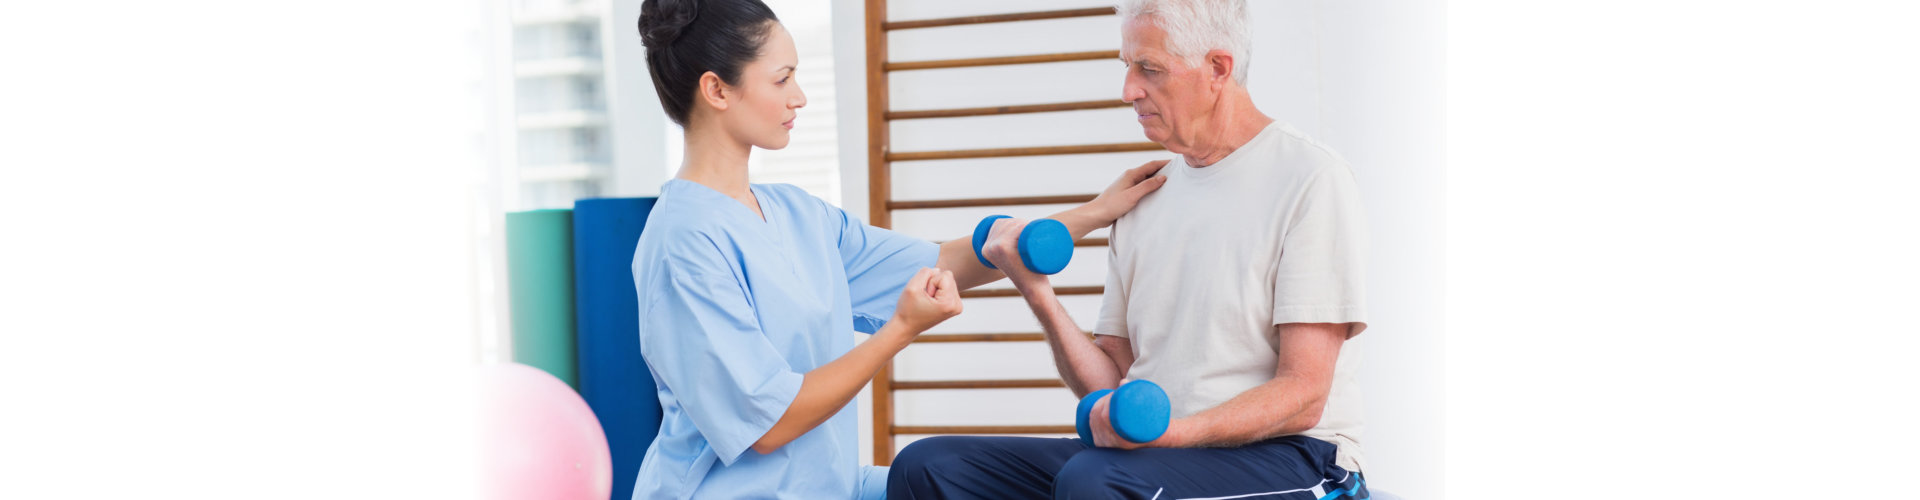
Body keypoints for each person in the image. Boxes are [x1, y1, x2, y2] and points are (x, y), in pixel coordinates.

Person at [627, 1, 1169, 498]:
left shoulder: (796, 213)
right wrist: (900, 331)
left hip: (829, 487)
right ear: (717, 91)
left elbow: (940, 263)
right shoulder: (684, 243)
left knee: (963, 478)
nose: (799, 96)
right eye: (783, 78)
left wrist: (1093, 213)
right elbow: (769, 425)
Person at [887, 0, 1374, 498]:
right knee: (929, 466)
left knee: (1095, 480)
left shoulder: (1309, 178)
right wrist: (1037, 293)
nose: (1128, 91)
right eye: (1127, 67)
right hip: (1159, 455)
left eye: (1150, 69)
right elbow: (1110, 382)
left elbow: (1304, 395)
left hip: (1295, 454)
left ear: (1217, 69)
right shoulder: (1147, 194)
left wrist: (1172, 434)